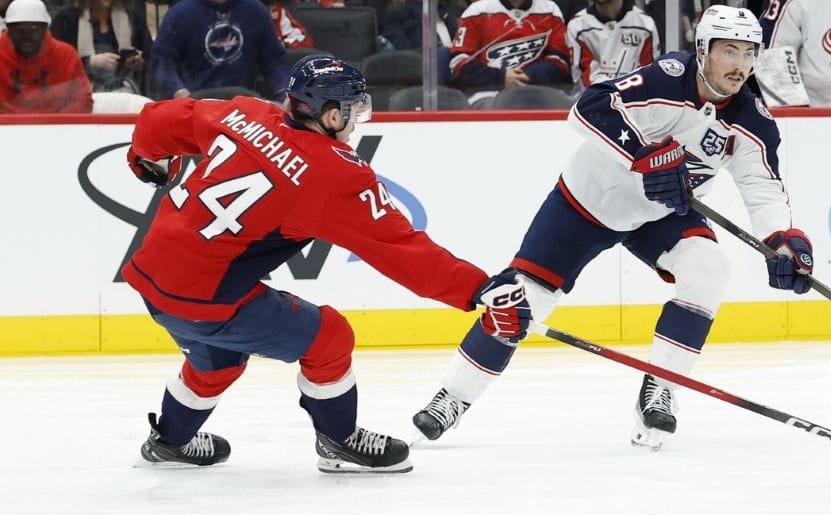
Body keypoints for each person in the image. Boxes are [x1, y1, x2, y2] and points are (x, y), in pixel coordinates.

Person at [412, 5, 814, 452]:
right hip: (587, 201)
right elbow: (588, 107)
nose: (740, 65)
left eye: (748, 53)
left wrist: (782, 240)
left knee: (709, 268)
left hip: (660, 213)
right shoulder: (667, 77)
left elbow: (763, 189)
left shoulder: (752, 119)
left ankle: (662, 387)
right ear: (702, 50)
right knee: (527, 299)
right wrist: (642, 154)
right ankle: (453, 396)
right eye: (729, 52)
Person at [125, 55, 531, 473]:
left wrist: (144, 157)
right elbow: (402, 249)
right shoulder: (334, 173)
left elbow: (160, 119)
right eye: (354, 109)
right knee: (329, 338)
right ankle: (339, 440)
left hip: (151, 278)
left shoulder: (245, 111)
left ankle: (170, 441)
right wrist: (478, 288)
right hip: (207, 298)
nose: (357, 120)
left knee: (218, 356)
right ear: (332, 114)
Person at [150, 0, 288, 100]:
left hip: (243, 107)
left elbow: (274, 63)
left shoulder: (256, 10)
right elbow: (163, 65)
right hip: (194, 105)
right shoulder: (179, 14)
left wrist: (287, 95)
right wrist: (179, 92)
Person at [448, 0, 572, 90]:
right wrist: (501, 78)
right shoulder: (476, 11)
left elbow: (561, 60)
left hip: (537, 89)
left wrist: (529, 75)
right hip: (488, 92)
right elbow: (459, 63)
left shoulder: (551, 10)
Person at [0, 0, 93, 113]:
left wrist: (55, 125)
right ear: (8, 29)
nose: (26, 36)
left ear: (45, 28)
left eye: (33, 30)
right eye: (19, 30)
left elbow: (82, 100)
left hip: (58, 128)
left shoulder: (66, 56)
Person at [49, 0, 153, 93]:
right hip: (79, 93)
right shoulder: (65, 19)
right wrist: (89, 62)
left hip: (123, 90)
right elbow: (55, 62)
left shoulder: (133, 18)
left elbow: (150, 57)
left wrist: (137, 62)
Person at [566, 0, 658, 90]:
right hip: (594, 100)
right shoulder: (577, 26)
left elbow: (649, 75)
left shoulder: (645, 24)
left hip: (635, 99)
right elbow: (583, 77)